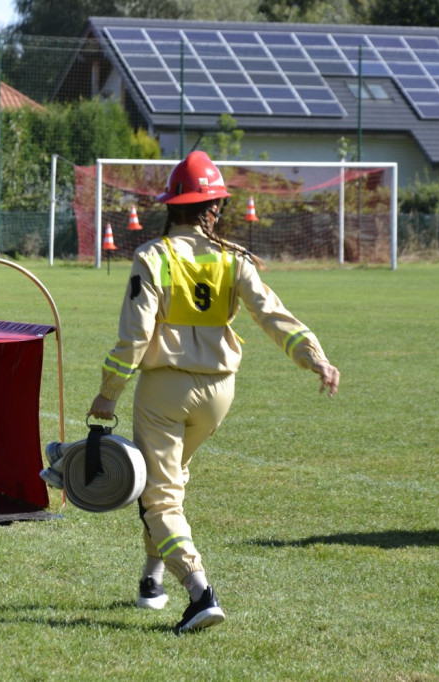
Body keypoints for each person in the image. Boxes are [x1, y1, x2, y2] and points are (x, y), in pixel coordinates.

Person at [86, 151, 340, 634]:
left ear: (171, 204)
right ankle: (151, 578)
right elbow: (273, 316)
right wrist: (314, 356)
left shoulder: (153, 256)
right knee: (169, 483)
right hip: (220, 394)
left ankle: (200, 593)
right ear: (213, 207)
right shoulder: (233, 258)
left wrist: (109, 393)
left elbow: (135, 338)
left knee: (158, 498)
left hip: (164, 390)